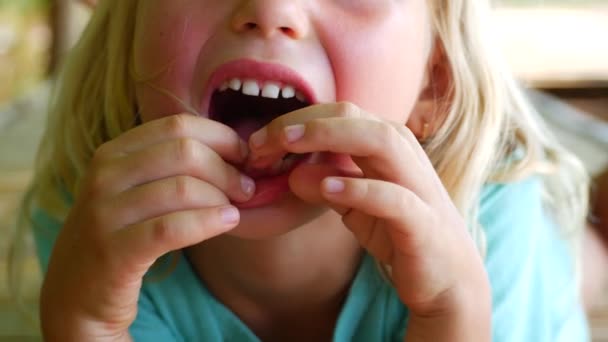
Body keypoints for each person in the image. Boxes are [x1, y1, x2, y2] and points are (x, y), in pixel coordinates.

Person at [11, 0, 591, 341]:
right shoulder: (96, 225)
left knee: (582, 248)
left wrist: (450, 315)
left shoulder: (489, 222)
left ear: (434, 82)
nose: (270, 8)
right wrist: (87, 324)